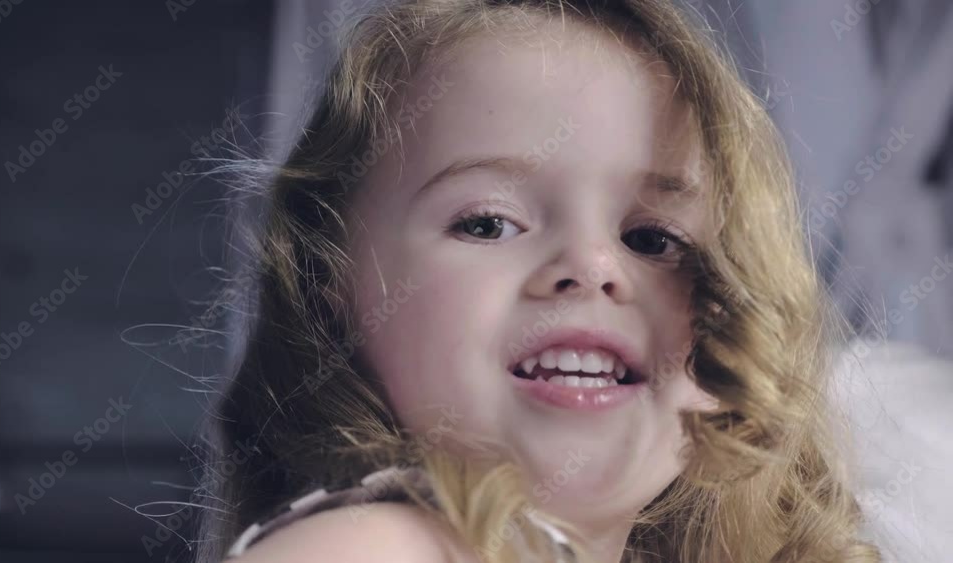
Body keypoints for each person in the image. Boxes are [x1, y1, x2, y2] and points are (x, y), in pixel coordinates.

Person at [193, 1, 881, 561]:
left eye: (652, 240)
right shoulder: (376, 546)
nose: (591, 266)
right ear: (328, 274)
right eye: (488, 224)